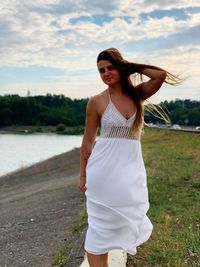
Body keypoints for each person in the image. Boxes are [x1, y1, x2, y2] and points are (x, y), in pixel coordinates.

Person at [79, 48, 181, 267]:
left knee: (122, 220)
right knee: (98, 230)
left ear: (121, 67)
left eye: (111, 67)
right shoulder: (96, 101)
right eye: (101, 70)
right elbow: (87, 141)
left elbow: (159, 75)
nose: (106, 73)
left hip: (129, 172)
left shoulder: (137, 95)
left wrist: (129, 66)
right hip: (101, 172)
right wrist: (83, 175)